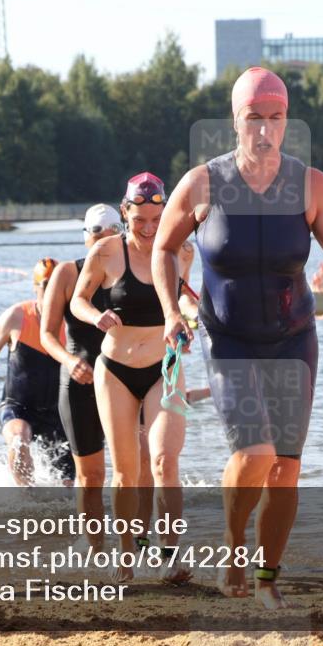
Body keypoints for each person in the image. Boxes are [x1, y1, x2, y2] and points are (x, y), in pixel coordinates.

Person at [152, 66, 323, 609]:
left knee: (286, 467)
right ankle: (232, 545)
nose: (265, 130)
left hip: (294, 338)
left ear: (287, 120)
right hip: (229, 339)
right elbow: (163, 249)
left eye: (276, 117)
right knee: (256, 451)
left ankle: (267, 578)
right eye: (254, 118)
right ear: (235, 120)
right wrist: (171, 309)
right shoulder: (203, 183)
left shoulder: (310, 185)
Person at [71, 173, 193, 584]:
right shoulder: (106, 251)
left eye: (157, 219)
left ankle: (170, 556)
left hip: (165, 366)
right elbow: (79, 299)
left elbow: (188, 299)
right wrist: (96, 316)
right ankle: (126, 557)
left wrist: (188, 322)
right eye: (139, 220)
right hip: (115, 370)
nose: (148, 228)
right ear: (125, 213)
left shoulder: (183, 252)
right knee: (125, 471)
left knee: (164, 461)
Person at [39, 203, 124, 551]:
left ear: (121, 234)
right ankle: (95, 548)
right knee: (91, 476)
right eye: (96, 232)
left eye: (111, 232)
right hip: (80, 381)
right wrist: (70, 360)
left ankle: (136, 545)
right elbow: (47, 334)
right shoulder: (66, 273)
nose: (103, 239)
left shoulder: (132, 270)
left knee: (134, 469)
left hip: (125, 379)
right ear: (85, 237)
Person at [0, 259, 76, 487]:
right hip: (17, 407)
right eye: (46, 285)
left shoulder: (72, 324)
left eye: (57, 286)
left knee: (67, 487)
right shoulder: (17, 317)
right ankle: (25, 500)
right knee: (19, 439)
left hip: (57, 413)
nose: (51, 292)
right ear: (35, 287)